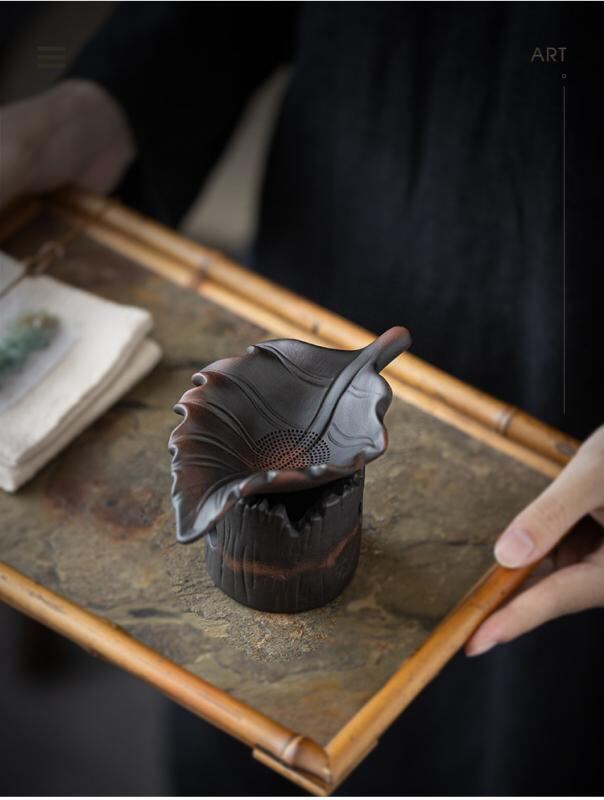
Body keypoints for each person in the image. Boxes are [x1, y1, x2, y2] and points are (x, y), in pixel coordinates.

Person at [1, 3, 602, 794]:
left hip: (569, 368)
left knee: (502, 714)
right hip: (327, 244)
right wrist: (104, 102)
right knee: (249, 718)